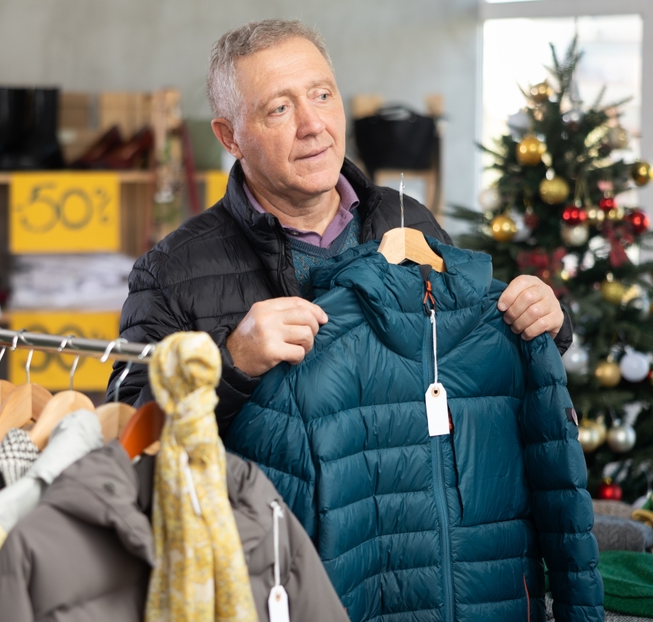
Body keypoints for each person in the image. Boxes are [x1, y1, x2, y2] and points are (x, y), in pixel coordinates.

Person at [106, 19, 572, 432]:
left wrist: (546, 320)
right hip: (275, 529)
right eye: (279, 109)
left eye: (322, 95)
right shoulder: (168, 273)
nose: (313, 125)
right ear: (230, 137)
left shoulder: (407, 220)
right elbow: (128, 435)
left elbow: (471, 358)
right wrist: (231, 362)